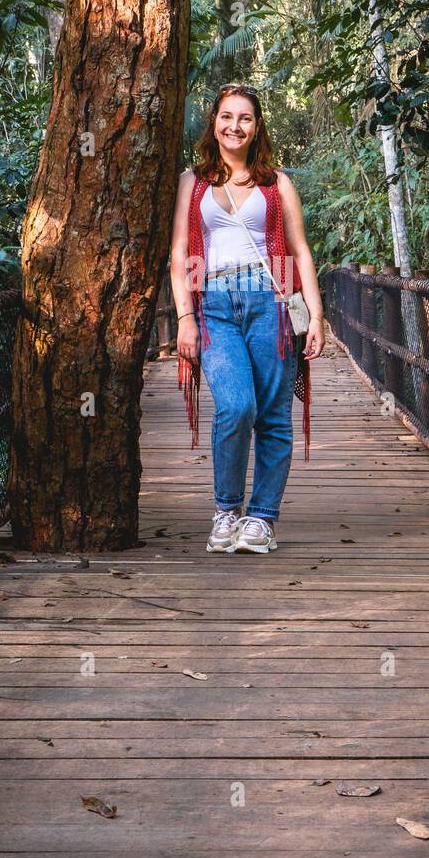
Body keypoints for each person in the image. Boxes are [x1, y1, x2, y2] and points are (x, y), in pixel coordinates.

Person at [170, 84, 324, 554]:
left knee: (274, 415)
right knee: (236, 406)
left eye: (245, 118)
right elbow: (179, 254)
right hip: (214, 303)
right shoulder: (191, 181)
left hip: (272, 304)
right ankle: (226, 509)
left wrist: (315, 316)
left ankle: (262, 518)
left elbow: (299, 250)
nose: (234, 126)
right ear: (213, 122)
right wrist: (185, 318)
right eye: (226, 116)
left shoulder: (276, 183)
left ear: (257, 127)